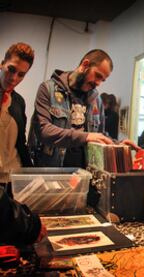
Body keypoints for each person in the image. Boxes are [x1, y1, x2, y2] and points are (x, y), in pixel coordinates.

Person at [29, 49, 114, 168]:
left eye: (102, 80)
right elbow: (44, 130)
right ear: (85, 65)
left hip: (84, 174)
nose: (99, 83)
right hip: (51, 171)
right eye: (98, 76)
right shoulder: (48, 89)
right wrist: (86, 136)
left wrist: (117, 144)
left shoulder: (97, 100)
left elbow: (100, 134)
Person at [0, 42, 35, 196]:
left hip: (11, 180)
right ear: (2, 64)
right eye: (11, 69)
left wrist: (32, 175)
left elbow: (20, 143)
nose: (14, 78)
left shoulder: (18, 102)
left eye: (21, 74)